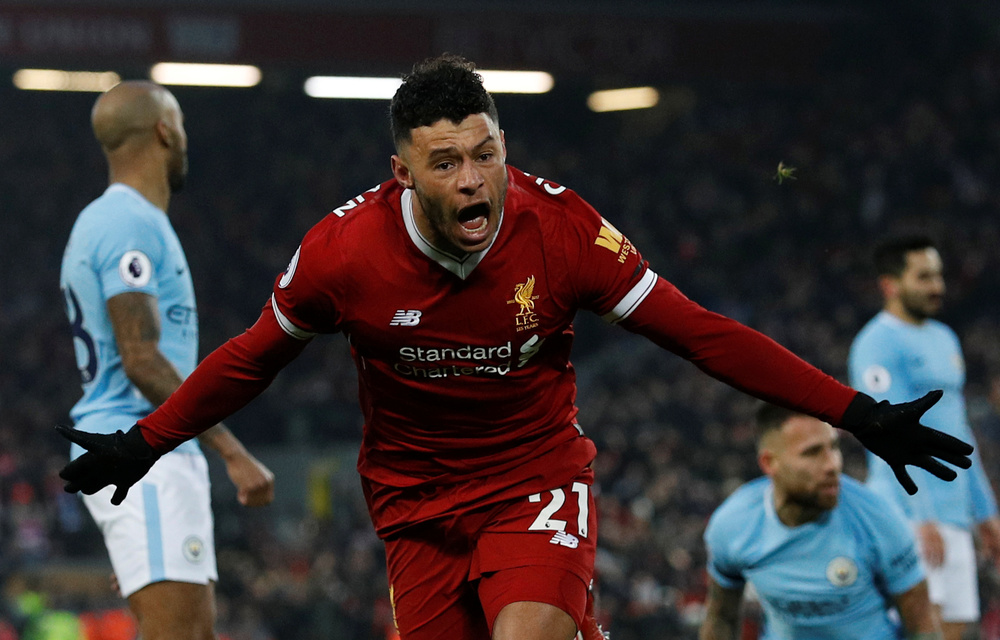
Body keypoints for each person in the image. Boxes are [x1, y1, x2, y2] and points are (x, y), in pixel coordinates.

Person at [57, 56, 973, 640]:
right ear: (402, 174)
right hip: (414, 503)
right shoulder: (342, 253)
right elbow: (252, 357)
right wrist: (147, 442)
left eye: (486, 153)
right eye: (446, 162)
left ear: (505, 147)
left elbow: (701, 334)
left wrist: (857, 413)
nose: (473, 180)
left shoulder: (563, 230)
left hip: (534, 478)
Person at [58, 81, 276, 640]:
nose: (184, 138)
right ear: (164, 130)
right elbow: (141, 358)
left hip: (146, 457)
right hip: (140, 454)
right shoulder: (125, 223)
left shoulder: (129, 221)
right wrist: (232, 451)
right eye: (180, 125)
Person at [848, 235, 1000, 640]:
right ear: (890, 285)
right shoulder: (876, 343)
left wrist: (985, 514)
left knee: (953, 630)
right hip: (907, 513)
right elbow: (885, 434)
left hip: (953, 514)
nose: (938, 287)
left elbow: (960, 431)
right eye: (924, 277)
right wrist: (920, 514)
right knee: (917, 629)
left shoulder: (945, 338)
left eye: (938, 276)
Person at [700, 403, 940, 640]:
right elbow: (721, 619)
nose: (832, 465)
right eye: (812, 452)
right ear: (769, 462)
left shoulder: (878, 518)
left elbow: (921, 624)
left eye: (834, 447)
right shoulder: (734, 525)